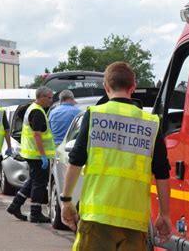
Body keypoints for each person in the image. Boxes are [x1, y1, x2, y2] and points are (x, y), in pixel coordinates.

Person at [61, 62, 172, 250]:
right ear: (133, 87)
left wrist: (66, 199)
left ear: (106, 86)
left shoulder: (95, 115)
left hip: (97, 217)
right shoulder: (151, 123)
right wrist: (164, 214)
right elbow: (162, 172)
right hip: (134, 222)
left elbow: (76, 159)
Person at [6, 86, 55, 223]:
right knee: (39, 183)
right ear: (42, 97)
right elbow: (37, 135)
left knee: (33, 181)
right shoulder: (37, 112)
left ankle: (15, 205)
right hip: (37, 155)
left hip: (33, 153)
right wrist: (43, 155)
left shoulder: (34, 109)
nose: (51, 101)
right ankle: (35, 213)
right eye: (49, 98)